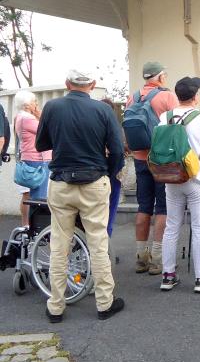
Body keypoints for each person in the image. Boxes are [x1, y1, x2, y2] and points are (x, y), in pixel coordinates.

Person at [35, 69, 125, 322]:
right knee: (98, 242)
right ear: (93, 85)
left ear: (67, 84)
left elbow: (41, 144)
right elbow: (117, 150)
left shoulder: (52, 107)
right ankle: (104, 303)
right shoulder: (103, 110)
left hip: (61, 182)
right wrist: (108, 172)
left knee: (59, 245)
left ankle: (56, 306)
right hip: (94, 181)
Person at [159, 77, 200, 293]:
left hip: (171, 177)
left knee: (171, 226)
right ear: (195, 96)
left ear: (178, 96)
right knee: (199, 228)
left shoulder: (164, 117)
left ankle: (168, 276)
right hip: (197, 179)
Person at [126, 61, 179, 274]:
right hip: (161, 158)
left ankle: (141, 257)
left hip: (139, 158)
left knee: (143, 206)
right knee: (163, 207)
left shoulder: (133, 97)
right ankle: (157, 259)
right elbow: (177, 126)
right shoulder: (167, 96)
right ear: (161, 77)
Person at [13, 92, 51, 229]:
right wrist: (41, 115)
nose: (36, 104)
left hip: (32, 159)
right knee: (39, 197)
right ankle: (36, 229)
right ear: (27, 104)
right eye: (34, 101)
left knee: (34, 196)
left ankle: (31, 226)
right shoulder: (27, 119)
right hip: (38, 161)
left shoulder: (21, 117)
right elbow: (48, 131)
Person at [101, 98, 124, 238]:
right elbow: (118, 151)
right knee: (110, 209)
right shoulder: (115, 127)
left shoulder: (91, 126)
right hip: (112, 173)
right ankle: (106, 242)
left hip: (94, 173)